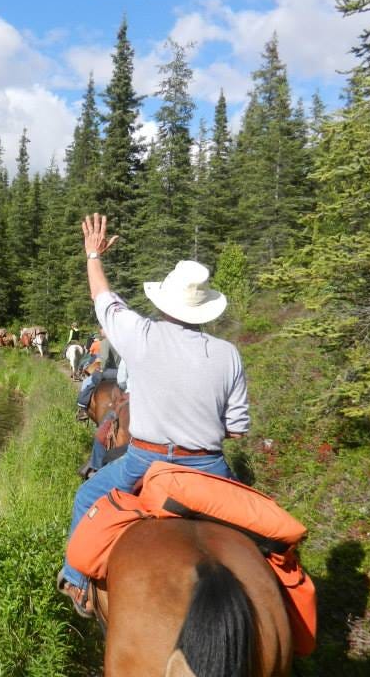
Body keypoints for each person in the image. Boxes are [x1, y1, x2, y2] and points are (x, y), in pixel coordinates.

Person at [57, 213, 250, 618]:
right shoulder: (228, 353)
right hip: (210, 468)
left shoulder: (141, 334)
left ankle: (76, 583)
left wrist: (94, 254)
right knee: (263, 536)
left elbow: (102, 298)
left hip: (146, 462)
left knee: (87, 495)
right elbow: (236, 431)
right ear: (206, 311)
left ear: (165, 303)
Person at [75, 327, 119, 421]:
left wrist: (100, 368)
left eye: (102, 328)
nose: (100, 331)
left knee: (88, 381)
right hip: (124, 372)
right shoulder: (120, 340)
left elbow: (104, 359)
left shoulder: (105, 342)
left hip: (111, 372)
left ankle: (82, 408)